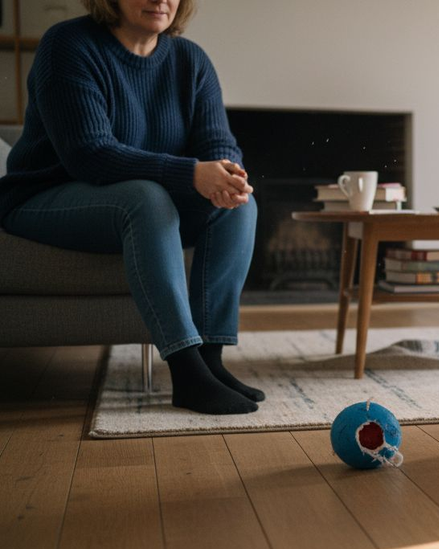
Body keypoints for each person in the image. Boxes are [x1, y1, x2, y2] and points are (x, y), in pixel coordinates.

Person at [0, 0, 263, 415]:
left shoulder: (190, 60)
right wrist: (192, 173)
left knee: (239, 206)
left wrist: (229, 177)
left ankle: (209, 363)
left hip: (131, 200)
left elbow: (218, 142)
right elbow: (90, 154)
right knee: (146, 198)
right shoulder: (67, 44)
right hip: (43, 197)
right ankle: (186, 372)